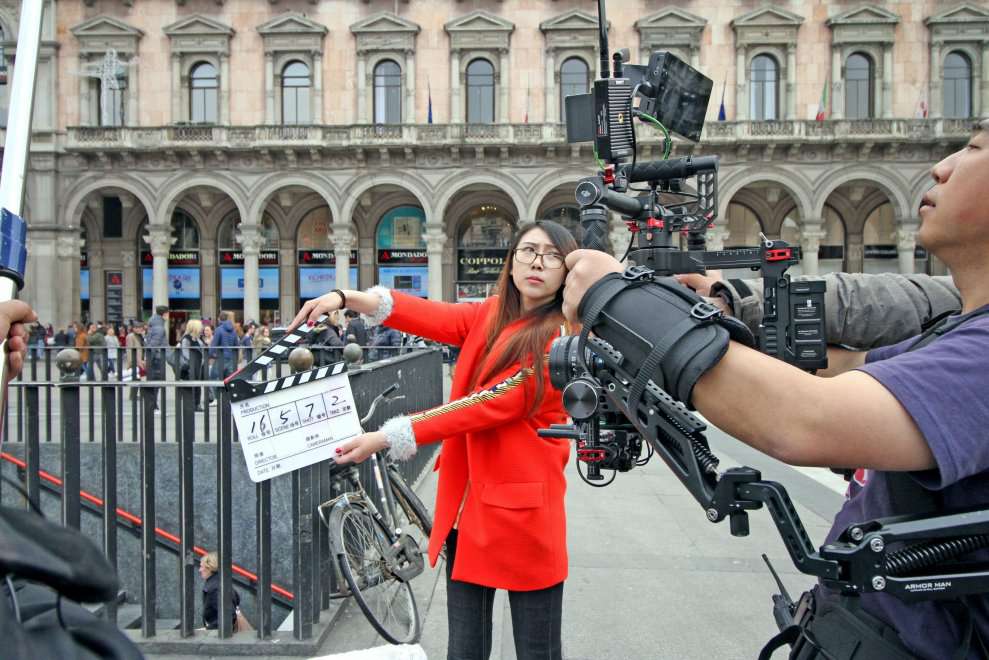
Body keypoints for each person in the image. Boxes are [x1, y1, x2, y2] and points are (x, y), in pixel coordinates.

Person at [560, 120, 989, 659]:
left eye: (972, 150)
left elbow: (807, 419)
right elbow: (837, 373)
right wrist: (717, 311)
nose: (941, 165)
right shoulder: (957, 333)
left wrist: (615, 297)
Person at [290, 221, 577, 660]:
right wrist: (346, 299)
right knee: (464, 650)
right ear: (511, 259)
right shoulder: (490, 313)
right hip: (471, 508)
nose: (537, 262)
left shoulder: (560, 340)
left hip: (524, 516)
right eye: (527, 250)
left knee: (537, 652)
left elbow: (486, 404)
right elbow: (429, 315)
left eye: (552, 255)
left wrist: (387, 436)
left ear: (566, 271)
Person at [198, 551, 241, 631]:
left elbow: (229, 616)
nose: (199, 570)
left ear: (209, 567)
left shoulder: (215, 588)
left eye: (201, 567)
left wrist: (207, 629)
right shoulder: (221, 582)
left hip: (220, 635)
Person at [145, 305, 169, 410]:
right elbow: (153, 345)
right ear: (164, 314)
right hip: (157, 359)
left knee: (154, 381)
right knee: (157, 381)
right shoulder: (159, 328)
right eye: (168, 313)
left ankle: (152, 403)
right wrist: (149, 359)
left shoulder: (154, 324)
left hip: (156, 358)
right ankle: (153, 404)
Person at [178, 319, 206, 411]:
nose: (201, 329)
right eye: (200, 327)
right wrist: (191, 363)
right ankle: (191, 404)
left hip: (198, 364)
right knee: (191, 385)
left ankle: (197, 404)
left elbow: (203, 349)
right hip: (190, 365)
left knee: (197, 385)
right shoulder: (186, 338)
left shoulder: (198, 338)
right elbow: (185, 352)